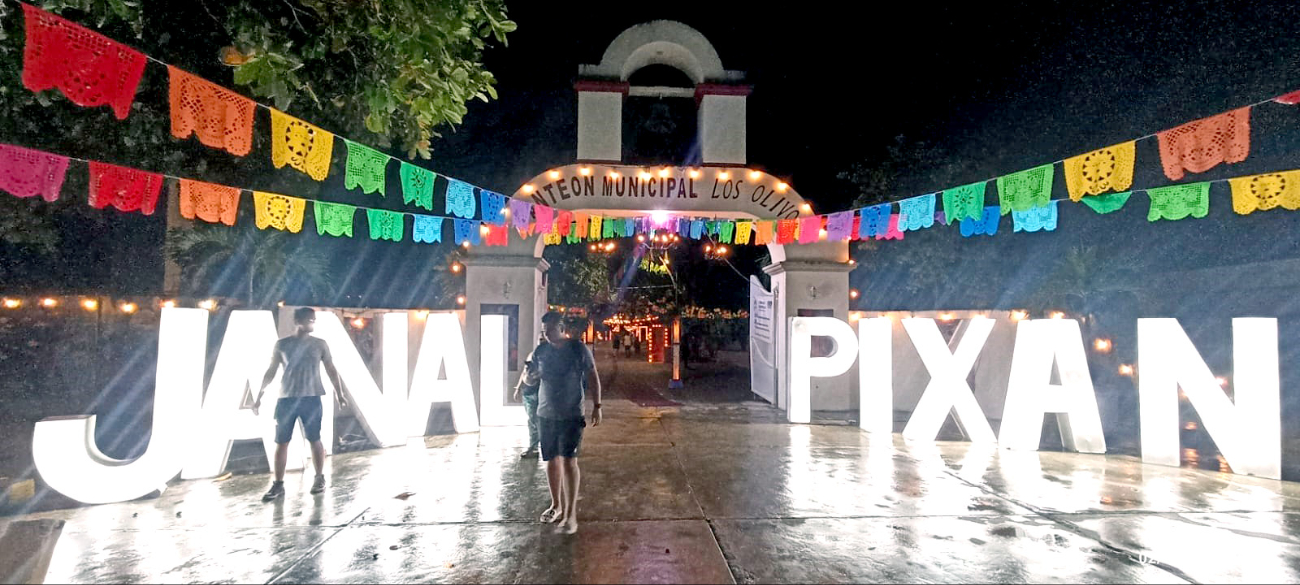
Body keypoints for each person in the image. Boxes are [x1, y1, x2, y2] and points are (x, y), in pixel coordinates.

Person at [252, 307, 348, 502]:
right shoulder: (282, 345)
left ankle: (319, 478)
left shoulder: (320, 344)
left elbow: (331, 369)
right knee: (281, 441)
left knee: (315, 438)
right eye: (308, 319)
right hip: (287, 398)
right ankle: (278, 484)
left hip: (311, 398)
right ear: (297, 321)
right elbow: (271, 371)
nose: (312, 322)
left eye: (313, 319)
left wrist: (340, 393)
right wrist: (259, 395)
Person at [522, 311, 601, 535]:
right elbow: (529, 379)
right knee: (551, 461)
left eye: (551, 329)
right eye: (544, 331)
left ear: (562, 328)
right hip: (545, 414)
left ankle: (570, 514)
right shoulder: (541, 351)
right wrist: (530, 377)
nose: (547, 335)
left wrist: (597, 406)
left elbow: (593, 375)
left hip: (571, 414)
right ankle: (556, 505)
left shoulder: (577, 349)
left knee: (569, 461)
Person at [512, 336, 545, 458]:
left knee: (534, 420)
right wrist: (518, 387)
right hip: (527, 390)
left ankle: (534, 447)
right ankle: (534, 446)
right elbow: (524, 372)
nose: (541, 342)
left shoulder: (547, 358)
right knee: (531, 419)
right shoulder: (532, 354)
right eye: (540, 339)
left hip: (536, 391)